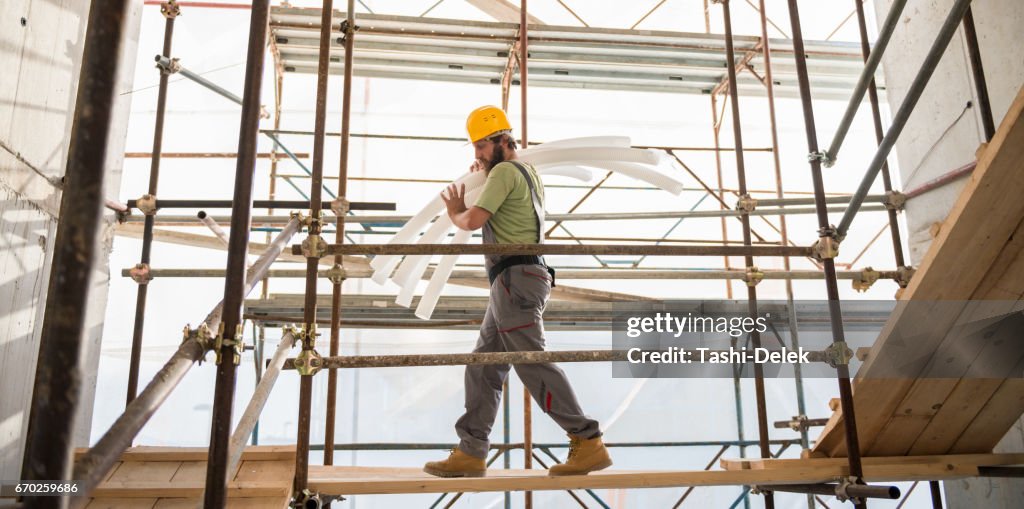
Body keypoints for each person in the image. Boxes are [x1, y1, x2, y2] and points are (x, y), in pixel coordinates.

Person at [423, 105, 611, 478]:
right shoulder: (524, 172)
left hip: (515, 280)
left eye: (480, 146)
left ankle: (587, 440)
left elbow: (472, 221)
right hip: (513, 281)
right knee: (482, 367)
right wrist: (483, 176)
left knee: (530, 361)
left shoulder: (506, 172)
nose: (475, 154)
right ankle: (471, 452)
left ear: (501, 140)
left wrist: (455, 210)